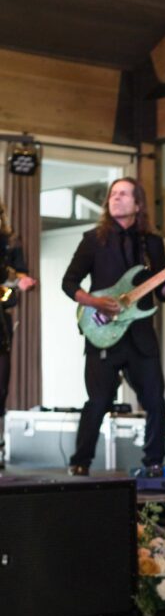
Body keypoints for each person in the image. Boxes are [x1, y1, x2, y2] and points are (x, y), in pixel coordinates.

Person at [62, 178, 165, 476]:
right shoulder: (93, 239)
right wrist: (94, 302)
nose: (115, 198)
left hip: (141, 335)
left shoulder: (152, 243)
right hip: (102, 332)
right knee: (99, 401)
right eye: (112, 194)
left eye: (123, 194)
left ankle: (154, 464)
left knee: (156, 402)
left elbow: (161, 294)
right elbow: (68, 283)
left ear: (138, 204)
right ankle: (80, 463)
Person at [0, 198, 37, 468]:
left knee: (1, 385)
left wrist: (18, 281)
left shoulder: (10, 242)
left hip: (0, 321)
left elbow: (20, 280)